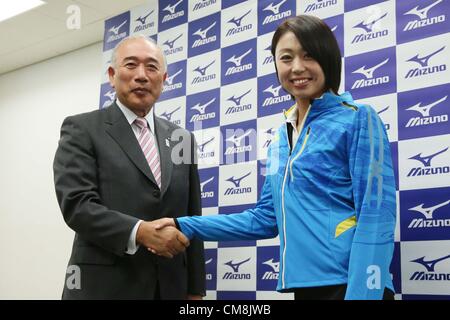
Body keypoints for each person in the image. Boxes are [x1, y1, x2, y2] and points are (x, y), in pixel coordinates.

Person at [153, 15, 396, 300]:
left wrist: (362, 295)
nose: (297, 67)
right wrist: (185, 225)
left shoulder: (358, 118)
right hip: (306, 287)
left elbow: (376, 214)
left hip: (350, 286)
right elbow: (264, 219)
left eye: (308, 56)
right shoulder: (281, 139)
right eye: (286, 57)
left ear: (327, 58)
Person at [53, 35, 205, 299]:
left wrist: (195, 290)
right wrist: (140, 232)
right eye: (131, 65)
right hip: (104, 287)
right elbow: (77, 206)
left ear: (165, 79)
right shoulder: (82, 129)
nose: (142, 76)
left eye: (152, 67)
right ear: (112, 75)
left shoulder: (183, 139)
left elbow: (193, 218)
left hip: (169, 288)